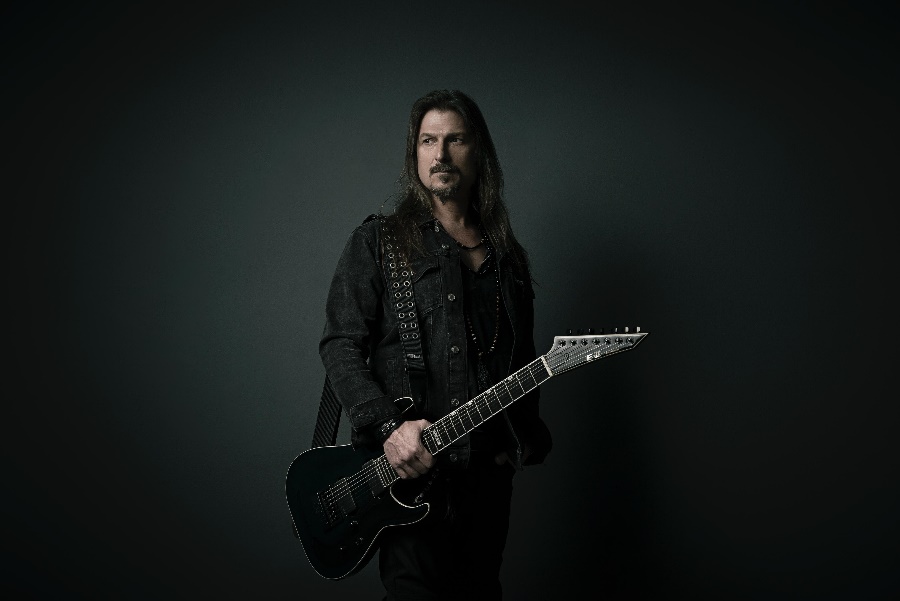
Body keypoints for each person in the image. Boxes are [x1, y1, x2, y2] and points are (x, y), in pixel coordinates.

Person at [319, 89, 552, 600]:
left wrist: (518, 441)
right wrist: (389, 428)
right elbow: (340, 346)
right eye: (428, 141)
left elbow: (521, 360)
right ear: (415, 154)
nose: (441, 154)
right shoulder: (378, 243)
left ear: (478, 151)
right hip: (408, 477)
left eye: (455, 140)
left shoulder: (508, 258)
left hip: (485, 484)